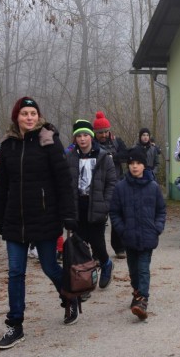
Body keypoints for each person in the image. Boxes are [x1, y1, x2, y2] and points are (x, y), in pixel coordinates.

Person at [0, 96, 77, 350]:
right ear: (16, 117)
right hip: (15, 221)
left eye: (33, 113)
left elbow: (63, 181)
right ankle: (15, 325)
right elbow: (2, 186)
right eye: (24, 113)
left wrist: (69, 215)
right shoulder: (7, 145)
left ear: (38, 116)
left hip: (45, 216)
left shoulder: (48, 141)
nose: (29, 117)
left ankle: (69, 297)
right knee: (16, 273)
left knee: (50, 266)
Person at [109, 148, 166, 321]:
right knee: (133, 270)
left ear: (144, 166)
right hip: (129, 237)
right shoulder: (121, 187)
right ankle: (137, 292)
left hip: (148, 236)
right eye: (132, 163)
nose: (135, 167)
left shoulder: (153, 187)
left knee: (143, 269)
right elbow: (114, 212)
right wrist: (122, 229)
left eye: (138, 163)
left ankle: (142, 300)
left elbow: (161, 210)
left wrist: (157, 227)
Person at [66, 119, 117, 291]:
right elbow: (66, 182)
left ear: (91, 136)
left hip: (96, 204)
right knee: (80, 242)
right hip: (77, 204)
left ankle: (106, 263)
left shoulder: (104, 157)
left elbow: (111, 183)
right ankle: (85, 276)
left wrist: (106, 204)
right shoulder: (71, 157)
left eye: (85, 135)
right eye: (79, 136)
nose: (82, 139)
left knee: (97, 242)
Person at [93, 111, 129, 258]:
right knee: (99, 219)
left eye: (106, 131)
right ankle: (98, 251)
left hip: (118, 183)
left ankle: (119, 247)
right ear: (95, 133)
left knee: (118, 216)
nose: (104, 135)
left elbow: (126, 155)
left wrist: (112, 157)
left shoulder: (117, 141)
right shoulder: (92, 144)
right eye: (100, 132)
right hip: (99, 185)